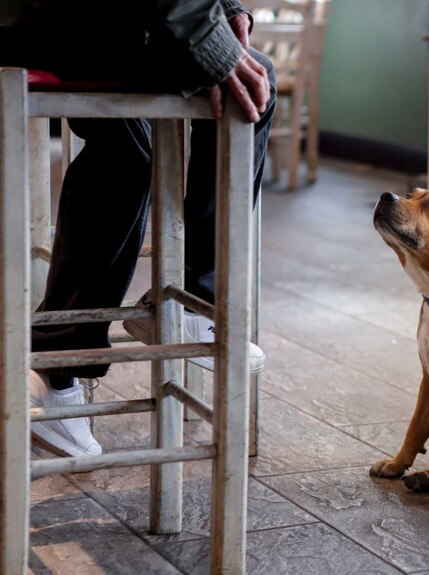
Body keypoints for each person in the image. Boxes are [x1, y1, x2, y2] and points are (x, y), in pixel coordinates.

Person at [0, 0, 277, 457]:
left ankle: (54, 370)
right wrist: (211, 37)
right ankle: (194, 297)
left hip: (76, 22)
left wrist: (225, 10)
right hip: (61, 25)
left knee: (126, 147)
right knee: (253, 74)